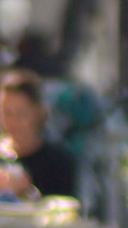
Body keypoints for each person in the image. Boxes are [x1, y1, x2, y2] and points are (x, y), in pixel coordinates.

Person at [0, 70, 77, 201]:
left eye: (21, 114)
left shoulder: (57, 162)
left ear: (38, 113)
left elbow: (62, 210)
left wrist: (26, 191)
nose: (12, 122)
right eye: (7, 113)